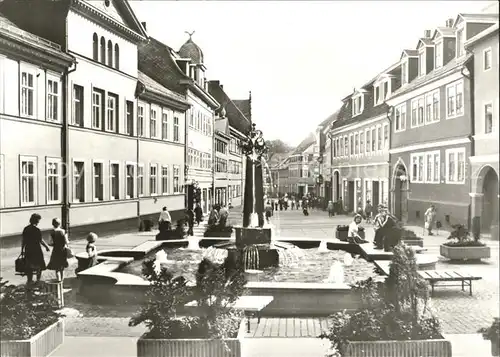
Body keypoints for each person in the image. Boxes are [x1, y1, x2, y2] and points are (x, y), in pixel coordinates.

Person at [21, 213, 50, 284]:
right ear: (36, 221)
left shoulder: (26, 229)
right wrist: (46, 246)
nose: (39, 222)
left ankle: (29, 280)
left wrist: (22, 250)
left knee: (29, 265)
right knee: (39, 265)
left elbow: (23, 240)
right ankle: (38, 280)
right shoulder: (37, 230)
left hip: (28, 249)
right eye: (39, 220)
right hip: (36, 249)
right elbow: (40, 240)